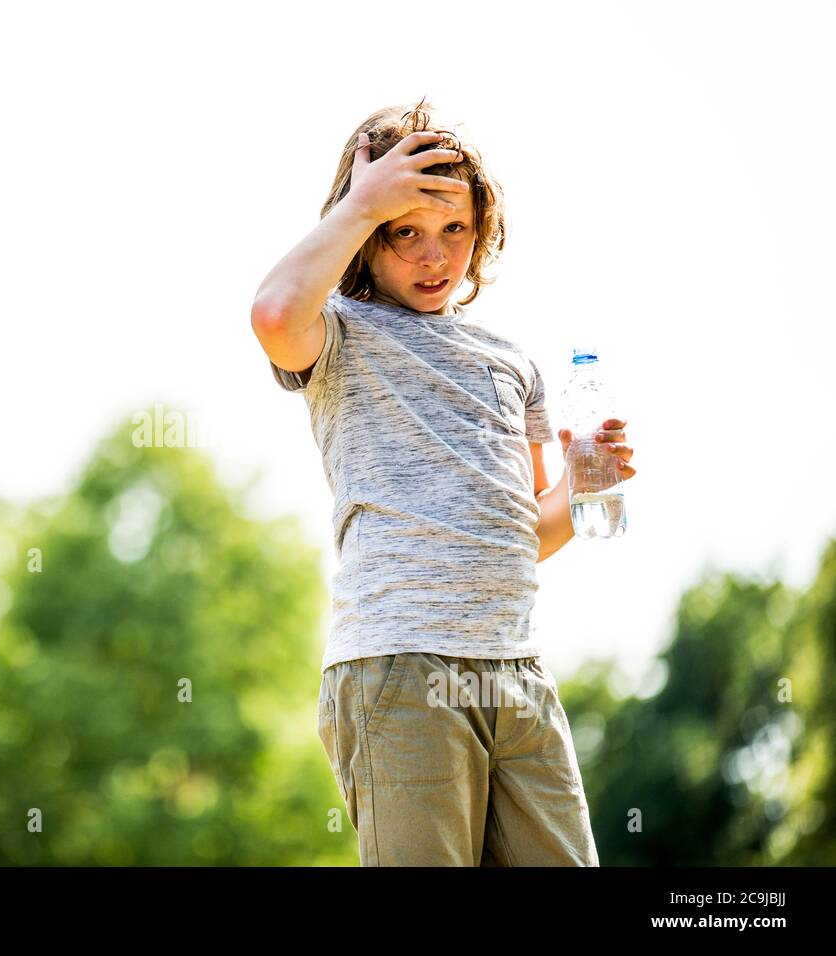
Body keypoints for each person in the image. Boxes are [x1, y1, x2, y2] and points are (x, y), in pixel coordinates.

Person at [249, 99, 638, 866]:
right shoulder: (338, 332)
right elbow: (271, 312)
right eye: (405, 232)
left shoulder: (510, 362)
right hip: (402, 665)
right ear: (366, 235)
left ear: (481, 229)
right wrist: (362, 201)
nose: (434, 257)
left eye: (454, 230)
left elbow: (524, 531)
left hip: (515, 673)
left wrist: (587, 482)